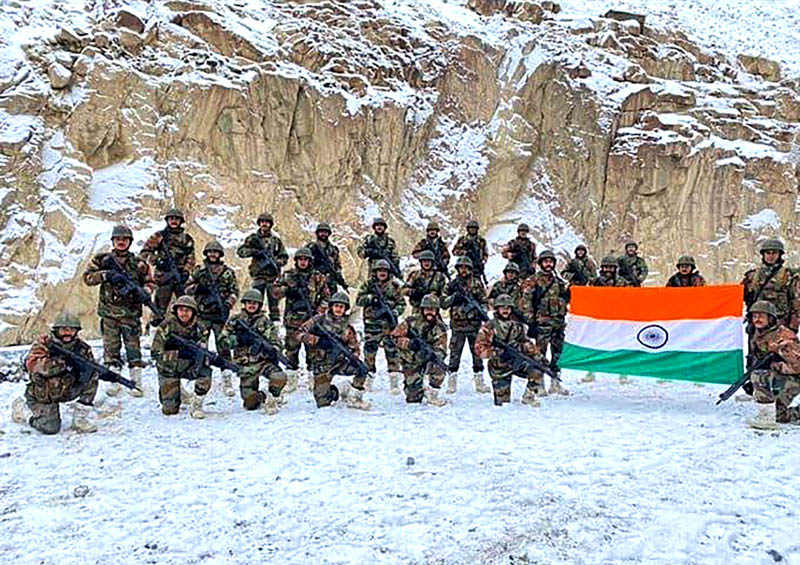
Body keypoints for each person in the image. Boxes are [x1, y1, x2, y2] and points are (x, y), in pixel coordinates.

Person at [83, 224, 154, 396]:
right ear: (113, 241)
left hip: (130, 314)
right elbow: (88, 278)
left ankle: (136, 382)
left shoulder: (139, 263)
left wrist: (145, 292)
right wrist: (106, 275)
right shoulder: (102, 260)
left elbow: (150, 282)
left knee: (133, 349)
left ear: (130, 242)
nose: (121, 242)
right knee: (111, 349)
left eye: (125, 239)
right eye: (118, 239)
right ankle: (114, 381)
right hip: (109, 314)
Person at [11, 313, 98, 434]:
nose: (68, 333)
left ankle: (80, 418)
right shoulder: (44, 344)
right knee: (50, 428)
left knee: (92, 373)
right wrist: (64, 363)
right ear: (57, 330)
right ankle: (23, 411)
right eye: (64, 329)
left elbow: (92, 367)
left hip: (66, 389)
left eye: (72, 329)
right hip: (44, 394)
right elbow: (34, 366)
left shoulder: (82, 348)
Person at [740, 238, 800, 400]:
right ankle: (754, 387)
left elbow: (796, 302)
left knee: (781, 356)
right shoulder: (752, 276)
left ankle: (780, 394)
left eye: (774, 253)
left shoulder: (788, 276)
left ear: (780, 255)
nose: (771, 256)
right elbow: (738, 295)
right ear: (763, 255)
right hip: (757, 324)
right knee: (755, 355)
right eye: (768, 252)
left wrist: (793, 327)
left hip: (779, 324)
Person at [219, 289, 287, 415]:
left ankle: (273, 397)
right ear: (244, 304)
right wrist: (237, 340)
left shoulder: (265, 322)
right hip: (246, 366)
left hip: (263, 362)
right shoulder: (235, 320)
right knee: (250, 404)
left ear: (259, 305)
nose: (251, 305)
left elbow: (276, 341)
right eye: (249, 302)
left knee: (280, 377)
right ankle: (262, 396)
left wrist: (273, 350)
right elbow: (222, 342)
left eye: (255, 303)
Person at [185, 240, 239, 397]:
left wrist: (228, 303)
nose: (213, 254)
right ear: (206, 253)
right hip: (202, 315)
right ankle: (200, 380)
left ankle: (227, 380)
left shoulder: (227, 272)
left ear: (220, 254)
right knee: (200, 347)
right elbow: (187, 289)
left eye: (216, 252)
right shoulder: (199, 271)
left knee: (224, 347)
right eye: (210, 252)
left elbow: (234, 290)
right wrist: (197, 288)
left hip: (220, 316)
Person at [301, 292, 371, 410]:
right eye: (336, 306)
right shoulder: (319, 320)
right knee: (323, 402)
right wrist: (316, 340)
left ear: (345, 309)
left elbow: (355, 348)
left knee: (362, 369)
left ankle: (354, 397)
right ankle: (340, 389)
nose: (338, 309)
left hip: (339, 363)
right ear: (331, 306)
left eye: (342, 307)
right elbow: (298, 334)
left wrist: (354, 356)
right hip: (322, 365)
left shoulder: (347, 328)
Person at [273, 247, 330, 392]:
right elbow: (275, 293)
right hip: (293, 320)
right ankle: (292, 381)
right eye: (300, 259)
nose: (303, 262)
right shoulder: (288, 275)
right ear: (296, 261)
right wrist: (287, 290)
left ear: (310, 261)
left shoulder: (318, 277)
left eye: (305, 259)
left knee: (313, 352)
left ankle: (312, 380)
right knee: (291, 351)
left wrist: (318, 314)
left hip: (311, 321)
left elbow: (327, 298)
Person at [475, 294, 544, 407]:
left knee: (538, 370)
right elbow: (479, 349)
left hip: (516, 362)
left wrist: (538, 356)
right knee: (503, 404)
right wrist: (498, 353)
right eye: (502, 307)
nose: (505, 310)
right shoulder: (490, 326)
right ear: (497, 309)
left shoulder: (517, 325)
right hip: (499, 368)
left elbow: (526, 342)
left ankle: (529, 397)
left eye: (508, 307)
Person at [517, 250, 570, 396]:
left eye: (551, 262)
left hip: (558, 323)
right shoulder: (532, 280)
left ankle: (555, 382)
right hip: (542, 323)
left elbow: (564, 300)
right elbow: (526, 302)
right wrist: (531, 322)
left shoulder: (558, 282)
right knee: (540, 354)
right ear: (541, 263)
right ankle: (538, 384)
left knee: (557, 354)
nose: (549, 264)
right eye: (546, 261)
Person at [151, 296, 210, 419]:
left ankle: (196, 404)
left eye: (188, 310)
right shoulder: (166, 326)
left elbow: (203, 351)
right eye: (181, 310)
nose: (184, 313)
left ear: (193, 312)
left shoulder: (200, 329)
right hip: (168, 368)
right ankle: (174, 391)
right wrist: (177, 354)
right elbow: (155, 352)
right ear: (176, 311)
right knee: (169, 410)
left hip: (190, 365)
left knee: (206, 371)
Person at [746, 301, 800, 429]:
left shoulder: (782, 337)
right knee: (779, 416)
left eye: (761, 316)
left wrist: (775, 366)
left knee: (758, 375)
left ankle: (766, 418)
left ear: (770, 318)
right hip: (783, 376)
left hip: (795, 378)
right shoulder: (758, 333)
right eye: (754, 316)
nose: (757, 319)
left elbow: (798, 366)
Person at [355, 260, 406, 393]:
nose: (382, 273)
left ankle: (394, 383)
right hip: (372, 325)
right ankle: (367, 381)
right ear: (375, 272)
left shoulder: (395, 286)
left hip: (389, 325)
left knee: (393, 352)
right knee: (370, 353)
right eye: (379, 271)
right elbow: (359, 300)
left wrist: (395, 311)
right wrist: (372, 298)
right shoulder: (368, 285)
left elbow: (401, 304)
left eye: (384, 271)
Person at [442, 256, 490, 394]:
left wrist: (482, 311)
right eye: (461, 267)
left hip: (474, 325)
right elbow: (443, 302)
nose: (463, 270)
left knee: (477, 354)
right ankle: (452, 383)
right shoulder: (452, 284)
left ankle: (479, 383)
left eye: (466, 267)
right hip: (457, 326)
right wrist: (454, 298)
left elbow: (484, 301)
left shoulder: (477, 284)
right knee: (454, 355)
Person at [390, 294, 448, 406]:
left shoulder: (440, 327)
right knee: (413, 398)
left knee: (439, 366)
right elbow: (394, 337)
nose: (429, 312)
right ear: (422, 309)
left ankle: (433, 394)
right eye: (427, 309)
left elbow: (442, 349)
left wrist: (431, 354)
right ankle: (417, 389)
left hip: (427, 361)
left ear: (437, 310)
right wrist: (409, 344)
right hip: (410, 361)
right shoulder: (411, 321)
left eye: (432, 309)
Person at [582, 255, 630, 384]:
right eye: (606, 267)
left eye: (611, 267)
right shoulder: (594, 282)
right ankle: (591, 372)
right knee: (594, 345)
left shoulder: (622, 283)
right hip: (599, 319)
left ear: (615, 268)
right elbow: (585, 298)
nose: (608, 269)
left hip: (618, 319)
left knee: (621, 346)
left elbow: (631, 299)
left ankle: (623, 373)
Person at [141, 208, 195, 314]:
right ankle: (154, 328)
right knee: (159, 310)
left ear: (181, 221)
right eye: (171, 218)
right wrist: (158, 261)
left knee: (185, 307)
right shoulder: (159, 236)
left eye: (176, 219)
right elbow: (145, 253)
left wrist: (186, 271)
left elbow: (191, 257)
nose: (174, 221)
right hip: (163, 278)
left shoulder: (187, 239)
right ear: (167, 220)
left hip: (180, 278)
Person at [237, 213, 289, 321]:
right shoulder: (253, 239)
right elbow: (241, 252)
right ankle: (254, 323)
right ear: (259, 224)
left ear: (270, 224)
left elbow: (284, 257)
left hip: (272, 277)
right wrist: (255, 252)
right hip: (258, 277)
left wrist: (277, 262)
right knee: (255, 302)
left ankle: (274, 326)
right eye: (262, 222)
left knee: (274, 306)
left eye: (267, 222)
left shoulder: (275, 241)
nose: (264, 224)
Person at [403, 250, 448, 316]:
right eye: (424, 261)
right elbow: (403, 290)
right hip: (417, 309)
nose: (426, 263)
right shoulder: (415, 275)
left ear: (432, 262)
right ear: (421, 262)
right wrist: (414, 292)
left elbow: (444, 294)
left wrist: (434, 296)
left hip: (433, 310)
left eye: (428, 261)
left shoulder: (439, 276)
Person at [306, 222, 346, 294]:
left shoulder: (333, 250)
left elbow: (337, 267)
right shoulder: (311, 248)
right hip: (313, 281)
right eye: (321, 232)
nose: (323, 234)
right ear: (317, 233)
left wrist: (340, 279)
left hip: (329, 281)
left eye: (325, 232)